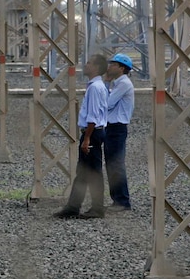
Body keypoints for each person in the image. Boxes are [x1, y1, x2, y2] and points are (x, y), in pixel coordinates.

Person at [54, 54, 108, 219]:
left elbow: (93, 116)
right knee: (83, 172)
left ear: (97, 68)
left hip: (92, 132)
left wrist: (86, 139)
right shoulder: (99, 85)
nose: (86, 65)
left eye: (89, 63)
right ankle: (73, 206)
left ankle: (97, 208)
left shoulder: (94, 87)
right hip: (95, 132)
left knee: (93, 172)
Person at [104, 53, 135, 213]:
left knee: (116, 164)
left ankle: (122, 201)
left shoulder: (123, 83)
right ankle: (117, 200)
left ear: (122, 68)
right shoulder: (117, 83)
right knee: (111, 165)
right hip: (111, 127)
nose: (109, 67)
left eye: (113, 64)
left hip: (117, 127)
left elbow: (107, 104)